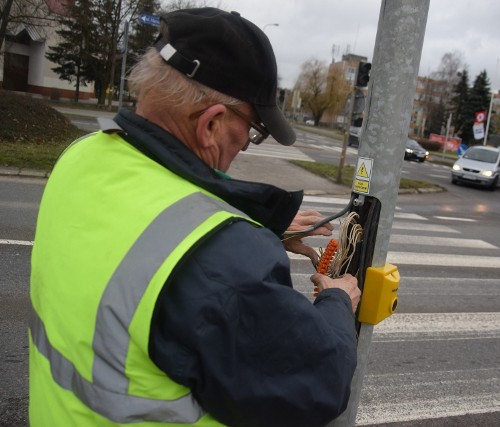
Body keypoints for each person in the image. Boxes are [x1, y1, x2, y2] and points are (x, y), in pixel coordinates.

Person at [29, 7, 361, 427]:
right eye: (254, 130)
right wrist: (336, 302)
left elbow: (138, 233)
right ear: (212, 124)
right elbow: (319, 383)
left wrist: (247, 228)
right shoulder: (221, 261)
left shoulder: (83, 156)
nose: (247, 145)